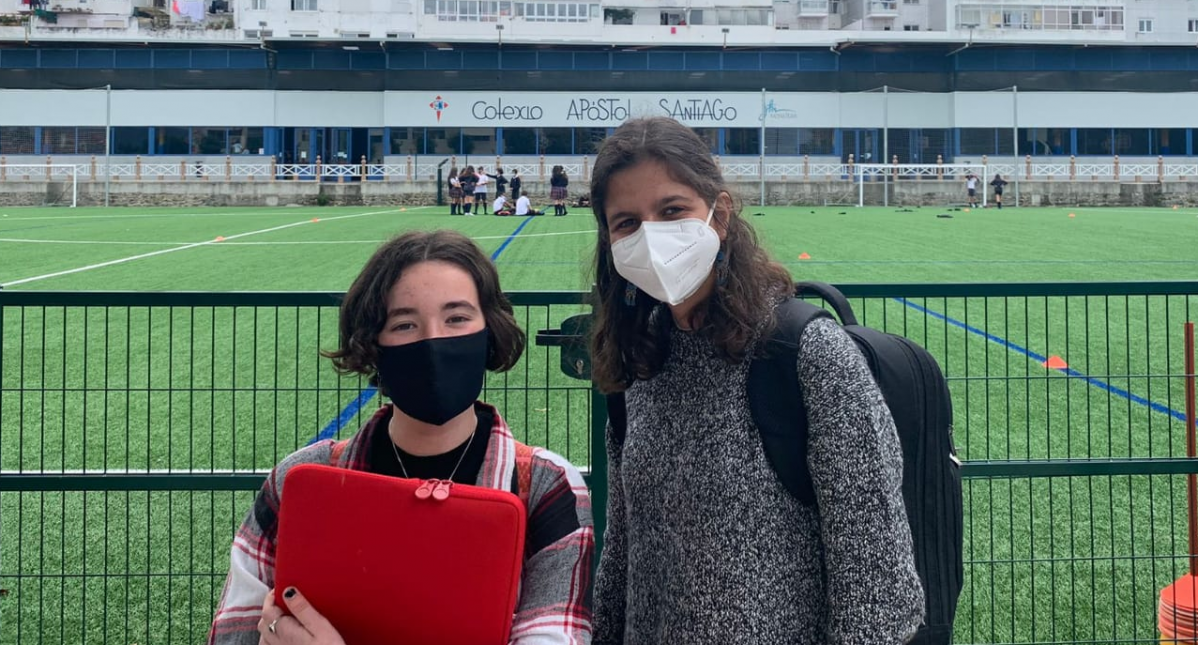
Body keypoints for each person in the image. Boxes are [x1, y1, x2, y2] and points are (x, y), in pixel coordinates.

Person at [588, 117, 923, 645]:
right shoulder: (640, 362)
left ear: (718, 216)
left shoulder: (805, 352)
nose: (651, 236)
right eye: (627, 222)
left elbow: (875, 579)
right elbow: (624, 547)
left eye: (672, 211)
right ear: (609, 240)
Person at [207, 230, 595, 645]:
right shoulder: (300, 480)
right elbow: (234, 629)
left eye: (457, 318)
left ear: (490, 332)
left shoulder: (546, 487)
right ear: (373, 345)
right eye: (404, 324)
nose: (433, 340)